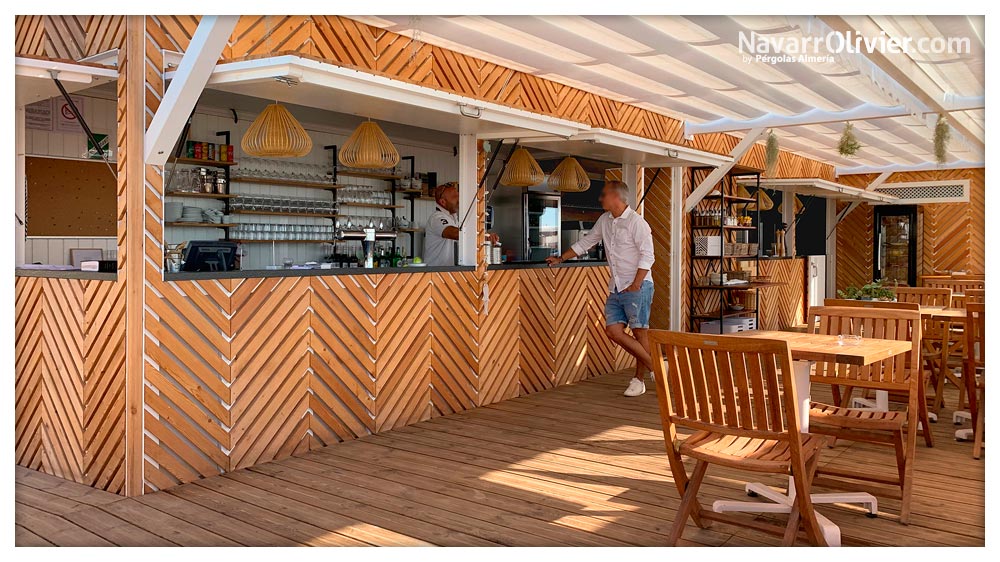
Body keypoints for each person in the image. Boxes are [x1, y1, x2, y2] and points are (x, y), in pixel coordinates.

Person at [546, 180, 656, 397]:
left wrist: (636, 283)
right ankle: (656, 367)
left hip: (638, 286)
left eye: (604, 195)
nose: (600, 199)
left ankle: (639, 380)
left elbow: (648, 255)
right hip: (616, 287)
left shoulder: (637, 222)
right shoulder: (605, 220)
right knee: (613, 331)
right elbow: (587, 242)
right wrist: (561, 258)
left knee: (639, 332)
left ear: (616, 197)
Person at [424, 182, 499, 266]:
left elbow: (464, 236)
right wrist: (482, 236)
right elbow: (455, 234)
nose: (459, 200)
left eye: (459, 196)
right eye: (455, 197)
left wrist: (485, 237)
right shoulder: (437, 217)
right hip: (435, 272)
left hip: (449, 272)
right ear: (443, 202)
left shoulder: (453, 217)